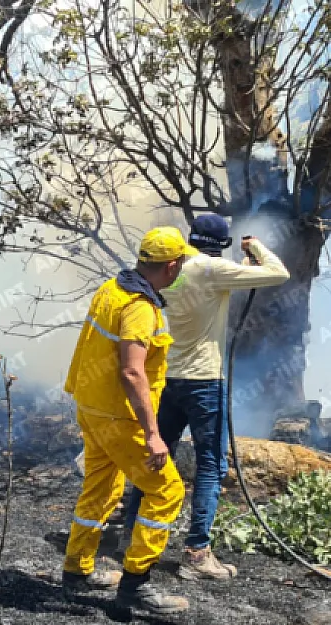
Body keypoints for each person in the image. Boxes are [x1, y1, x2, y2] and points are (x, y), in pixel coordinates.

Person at [122, 214, 289, 580]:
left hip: (167, 379)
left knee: (152, 458)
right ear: (221, 243)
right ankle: (197, 553)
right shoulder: (215, 270)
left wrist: (236, 269)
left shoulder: (172, 271)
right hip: (204, 382)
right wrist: (254, 246)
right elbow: (279, 273)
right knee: (210, 466)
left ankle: (129, 535)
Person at [60, 226, 197, 615]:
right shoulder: (140, 307)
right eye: (180, 264)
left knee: (101, 487)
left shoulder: (112, 288)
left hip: (92, 407)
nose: (181, 269)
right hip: (121, 418)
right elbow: (133, 372)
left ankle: (76, 571)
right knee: (167, 491)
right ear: (171, 266)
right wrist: (153, 435)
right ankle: (136, 585)